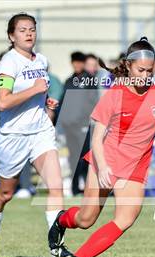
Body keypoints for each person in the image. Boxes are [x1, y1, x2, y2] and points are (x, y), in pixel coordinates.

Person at [49, 37, 155, 257]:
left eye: (149, 71)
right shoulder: (115, 95)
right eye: (140, 70)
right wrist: (101, 168)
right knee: (86, 218)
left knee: (125, 219)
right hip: (107, 160)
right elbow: (97, 138)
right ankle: (61, 221)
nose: (145, 75)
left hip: (136, 167)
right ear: (129, 67)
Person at [0, 13, 70, 257]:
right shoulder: (8, 63)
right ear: (11, 36)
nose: (29, 33)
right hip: (12, 137)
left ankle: (56, 248)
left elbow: (39, 93)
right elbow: (3, 102)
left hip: (40, 132)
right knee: (5, 194)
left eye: (32, 29)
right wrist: (34, 91)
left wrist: (46, 102)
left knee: (55, 186)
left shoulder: (42, 60)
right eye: (22, 30)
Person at [59, 51, 95, 196]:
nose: (77, 65)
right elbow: (64, 102)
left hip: (83, 125)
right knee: (73, 157)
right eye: (75, 62)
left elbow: (92, 102)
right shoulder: (69, 81)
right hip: (70, 126)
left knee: (86, 157)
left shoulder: (89, 80)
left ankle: (87, 188)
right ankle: (74, 189)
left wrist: (82, 117)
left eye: (80, 62)